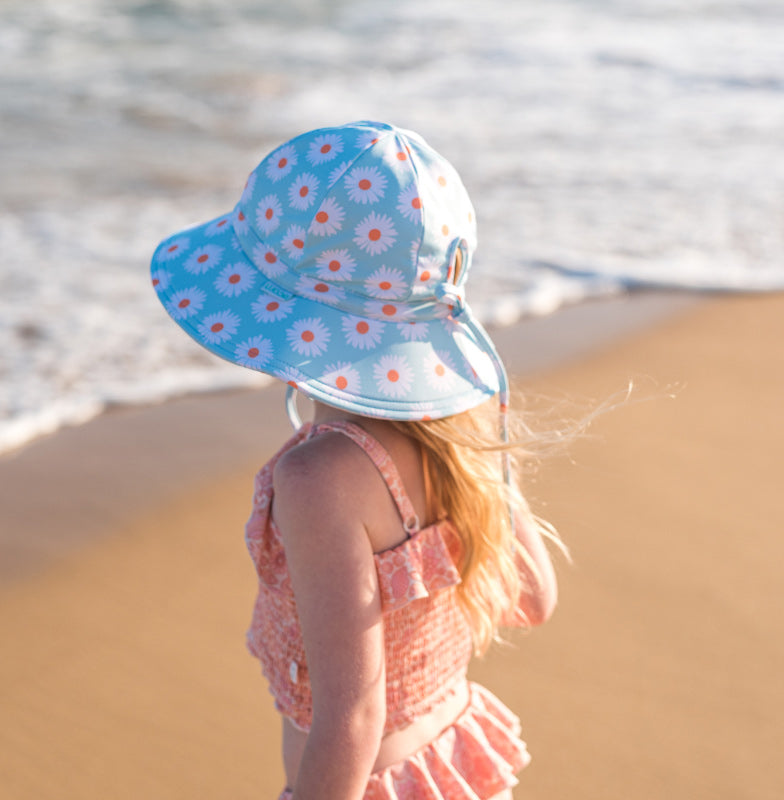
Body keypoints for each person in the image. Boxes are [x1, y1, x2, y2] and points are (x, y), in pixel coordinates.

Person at [151, 121, 559, 799]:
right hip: (449, 762)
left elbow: (353, 721)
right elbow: (533, 599)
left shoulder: (320, 480)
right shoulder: (459, 437)